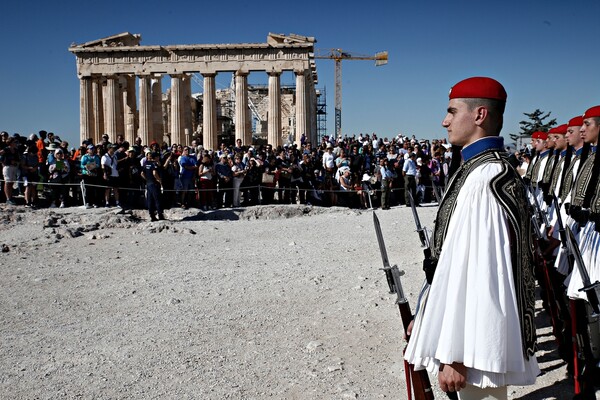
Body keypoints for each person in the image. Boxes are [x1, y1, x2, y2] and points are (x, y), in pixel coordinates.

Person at [404, 77, 539, 400]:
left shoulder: (485, 178)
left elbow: (481, 273)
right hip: (468, 333)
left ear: (479, 115)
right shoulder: (479, 169)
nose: (444, 120)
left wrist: (458, 354)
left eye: (452, 111)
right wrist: (425, 310)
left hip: (472, 343)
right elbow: (453, 257)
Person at [141, 152, 165, 221]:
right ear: (155, 157)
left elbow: (142, 173)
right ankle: (160, 214)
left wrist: (147, 179)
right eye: (158, 157)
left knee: (150, 199)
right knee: (157, 199)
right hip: (154, 184)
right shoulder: (154, 164)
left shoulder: (146, 163)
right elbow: (154, 173)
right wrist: (159, 180)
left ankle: (152, 215)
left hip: (148, 183)